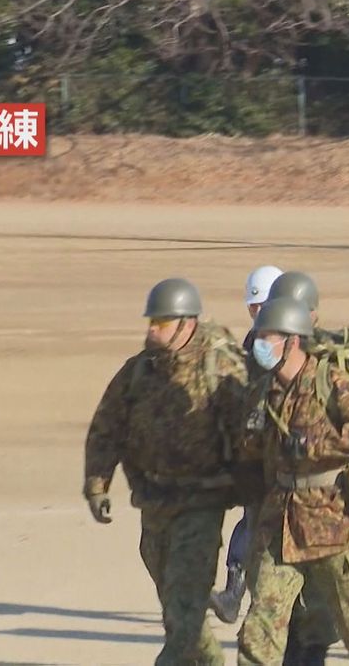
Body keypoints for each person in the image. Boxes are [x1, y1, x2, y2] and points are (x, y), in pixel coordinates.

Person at [83, 278, 247, 665]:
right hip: (154, 504)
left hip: (202, 505)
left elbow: (251, 434)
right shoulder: (138, 372)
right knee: (176, 610)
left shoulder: (221, 366)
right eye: (151, 322)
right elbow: (106, 427)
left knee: (186, 607)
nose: (152, 330)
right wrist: (97, 485)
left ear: (186, 324)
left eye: (162, 323)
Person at [235, 297, 349, 665]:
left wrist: (316, 445)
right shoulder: (266, 391)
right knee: (261, 628)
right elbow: (253, 449)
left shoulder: (332, 383)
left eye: (269, 337)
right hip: (281, 527)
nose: (261, 344)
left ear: (292, 341)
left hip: (333, 526)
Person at [210, 264, 284, 624]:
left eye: (263, 305)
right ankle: (234, 591)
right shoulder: (252, 342)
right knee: (252, 516)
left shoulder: (294, 341)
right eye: (252, 307)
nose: (256, 312)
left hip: (289, 453)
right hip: (257, 450)